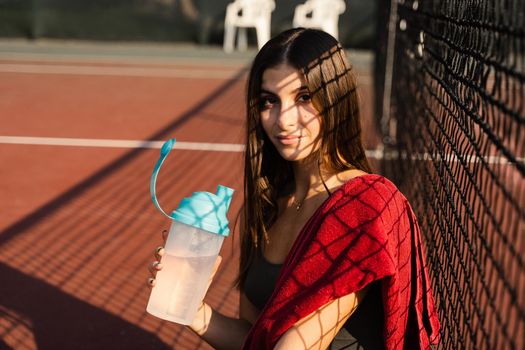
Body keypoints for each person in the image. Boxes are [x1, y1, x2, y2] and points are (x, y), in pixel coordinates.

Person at [148, 28, 440, 349]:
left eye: (303, 97)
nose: (283, 120)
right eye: (268, 101)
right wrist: (191, 307)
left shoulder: (366, 206)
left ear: (336, 98)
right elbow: (253, 337)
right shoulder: (267, 205)